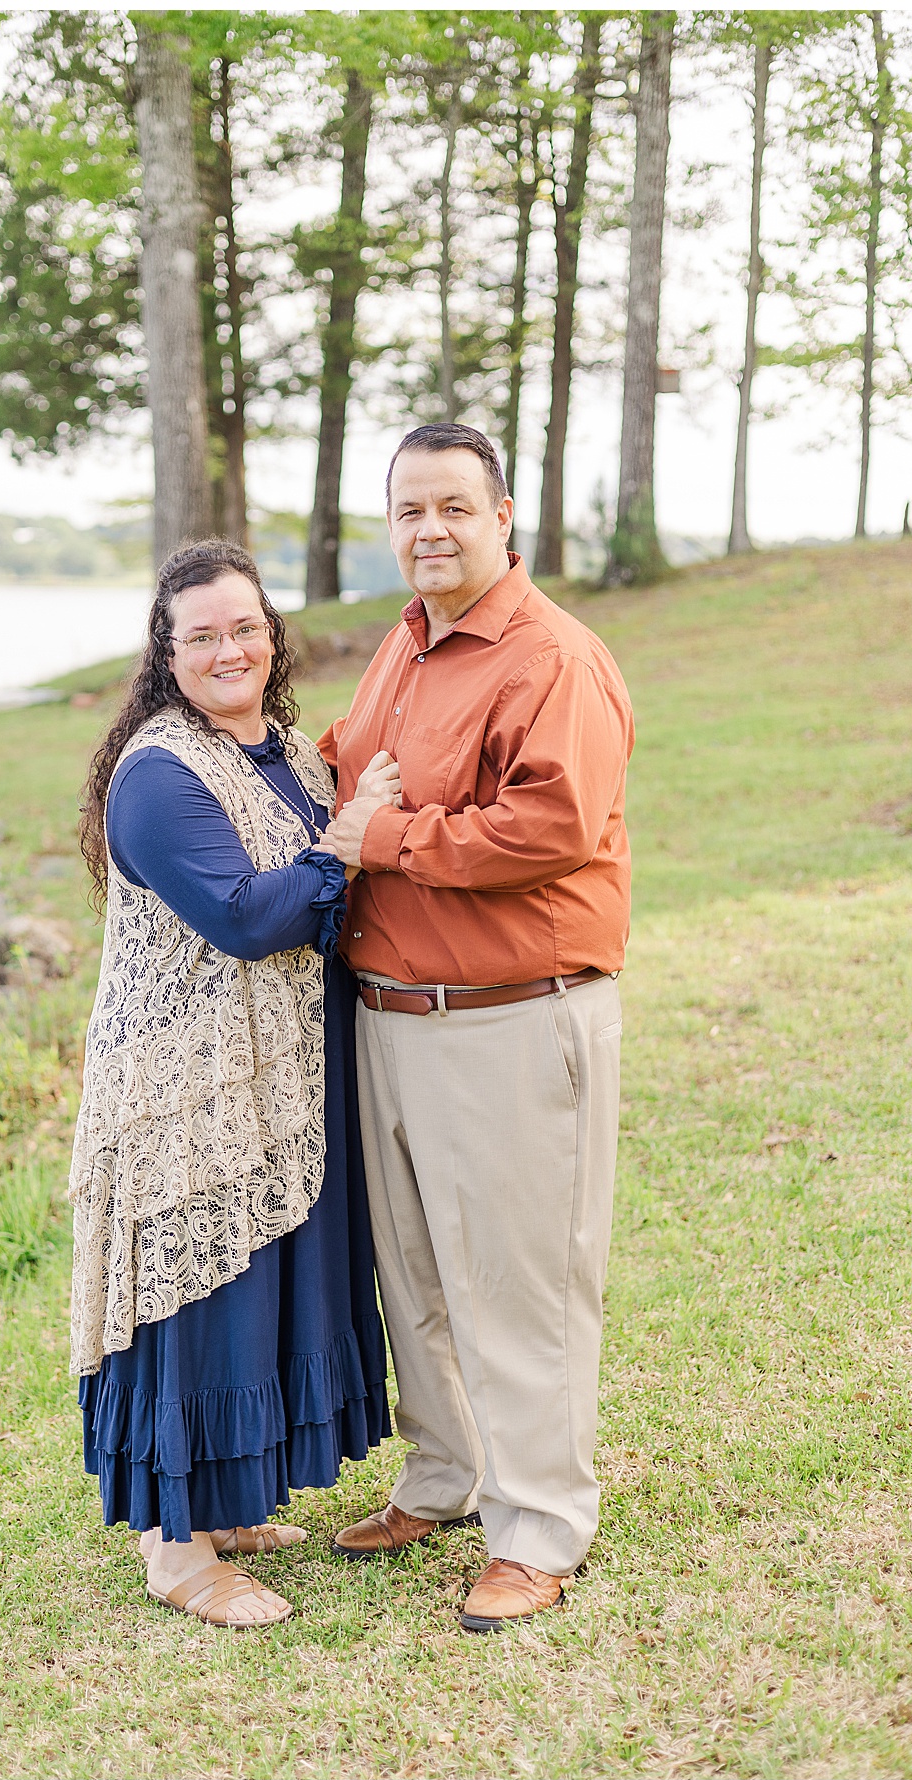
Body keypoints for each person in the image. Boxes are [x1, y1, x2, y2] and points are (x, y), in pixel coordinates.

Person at [314, 422, 635, 1633]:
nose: (430, 529)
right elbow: (344, 769)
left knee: (519, 1281)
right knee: (416, 1273)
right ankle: (444, 1473)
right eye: (409, 509)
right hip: (391, 1015)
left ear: (504, 514)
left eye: (454, 505)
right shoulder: (403, 645)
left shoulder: (552, 657)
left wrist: (388, 835)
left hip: (510, 1018)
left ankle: (539, 1525)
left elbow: (552, 826)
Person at [71, 538, 397, 1629]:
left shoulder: (290, 752)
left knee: (257, 1290)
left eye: (246, 627)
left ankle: (225, 1506)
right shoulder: (158, 774)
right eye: (201, 634)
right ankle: (175, 1549)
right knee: (196, 1300)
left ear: (273, 635)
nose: (229, 650)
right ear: (166, 653)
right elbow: (249, 918)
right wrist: (348, 842)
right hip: (185, 1085)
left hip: (281, 1068)